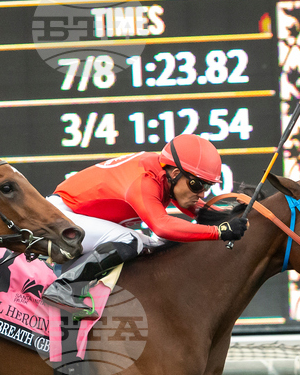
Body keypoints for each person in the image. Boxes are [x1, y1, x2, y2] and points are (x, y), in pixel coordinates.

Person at [40, 134, 248, 319]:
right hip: (61, 218)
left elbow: (199, 210)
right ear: (175, 173)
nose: (202, 193)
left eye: (207, 186)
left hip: (73, 219)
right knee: (132, 240)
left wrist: (229, 218)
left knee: (150, 244)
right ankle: (63, 288)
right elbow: (162, 226)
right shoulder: (146, 180)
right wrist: (218, 231)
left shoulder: (163, 174)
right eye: (197, 185)